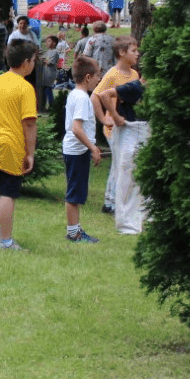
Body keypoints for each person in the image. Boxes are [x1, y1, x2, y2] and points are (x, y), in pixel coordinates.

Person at [0, 39, 38, 251]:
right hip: (11, 146)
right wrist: (30, 153)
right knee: (9, 192)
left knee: (1, 188)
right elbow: (30, 123)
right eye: (33, 60)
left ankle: (2, 232)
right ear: (25, 63)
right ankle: (6, 241)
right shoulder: (25, 88)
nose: (34, 64)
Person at [92, 35, 141, 216]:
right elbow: (96, 96)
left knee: (123, 164)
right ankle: (110, 203)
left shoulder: (134, 75)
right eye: (133, 51)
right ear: (121, 53)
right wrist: (107, 118)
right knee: (119, 164)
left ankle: (113, 200)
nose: (138, 54)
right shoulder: (112, 74)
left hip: (129, 126)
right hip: (114, 129)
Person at [98, 74, 148, 235]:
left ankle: (139, 217)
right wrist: (115, 116)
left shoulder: (146, 90)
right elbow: (104, 94)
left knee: (138, 179)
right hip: (130, 132)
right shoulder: (134, 87)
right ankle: (126, 222)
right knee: (127, 175)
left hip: (141, 132)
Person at [62, 55, 103, 244]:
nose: (99, 79)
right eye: (97, 76)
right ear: (88, 77)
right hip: (77, 151)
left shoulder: (75, 94)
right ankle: (73, 233)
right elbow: (76, 128)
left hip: (75, 150)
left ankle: (76, 229)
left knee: (77, 192)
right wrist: (93, 148)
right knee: (74, 194)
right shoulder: (81, 98)